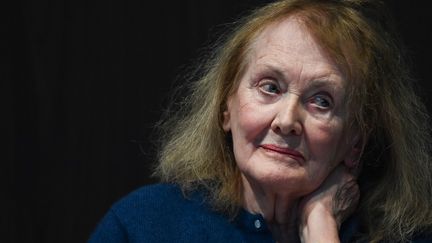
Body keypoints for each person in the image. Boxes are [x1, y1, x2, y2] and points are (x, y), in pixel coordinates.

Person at [88, 0, 432, 242]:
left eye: (321, 101)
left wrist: (321, 226)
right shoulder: (146, 226)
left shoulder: (404, 238)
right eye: (269, 87)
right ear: (226, 110)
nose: (286, 121)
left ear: (355, 145)